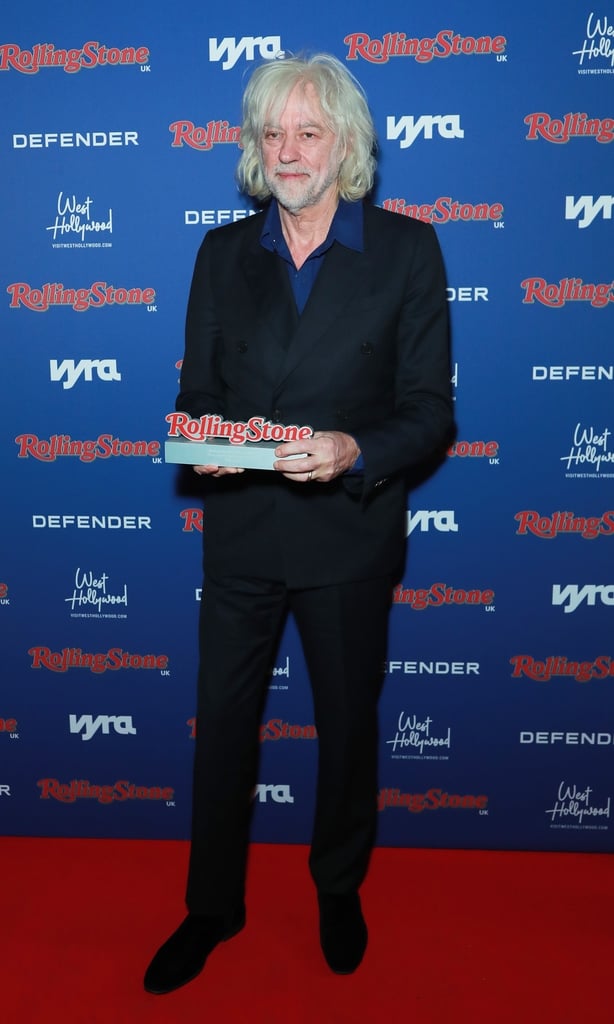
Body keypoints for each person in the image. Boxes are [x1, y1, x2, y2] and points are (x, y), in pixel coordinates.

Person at [144, 52, 453, 995]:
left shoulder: (406, 250)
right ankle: (210, 906)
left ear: (346, 146)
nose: (288, 150)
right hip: (241, 531)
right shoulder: (220, 253)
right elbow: (198, 387)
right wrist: (196, 432)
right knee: (224, 728)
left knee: (347, 726)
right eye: (273, 133)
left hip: (348, 532)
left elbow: (429, 411)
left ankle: (337, 885)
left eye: (308, 132)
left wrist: (353, 450)